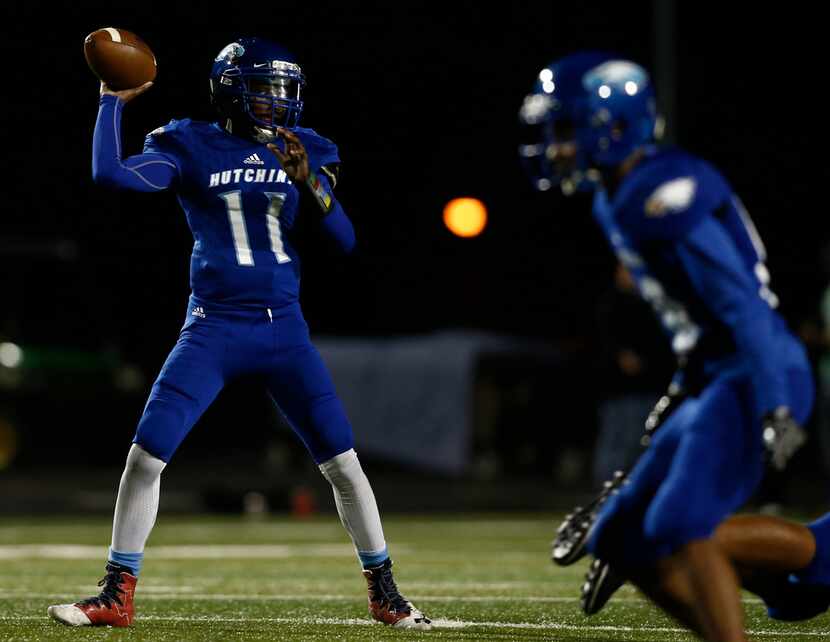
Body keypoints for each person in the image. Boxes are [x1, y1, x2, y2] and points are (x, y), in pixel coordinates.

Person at [47, 37, 430, 630]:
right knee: (146, 456)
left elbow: (347, 241)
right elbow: (111, 176)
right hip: (215, 327)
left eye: (284, 92)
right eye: (265, 90)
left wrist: (313, 184)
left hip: (285, 331)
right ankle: (117, 593)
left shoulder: (308, 150)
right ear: (233, 91)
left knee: (343, 460)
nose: (278, 103)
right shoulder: (191, 142)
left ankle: (386, 591)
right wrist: (110, 102)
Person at [518, 52, 813, 640]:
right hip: (712, 375)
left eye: (567, 130)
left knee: (678, 524)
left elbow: (740, 304)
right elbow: (693, 324)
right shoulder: (613, 199)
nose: (556, 148)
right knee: (619, 538)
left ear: (612, 125)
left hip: (755, 372)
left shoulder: (663, 191)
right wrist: (675, 398)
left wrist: (776, 400)